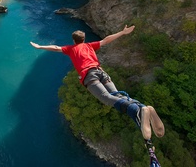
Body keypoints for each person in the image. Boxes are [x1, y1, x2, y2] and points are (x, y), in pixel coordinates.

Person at [30, 25, 164, 140]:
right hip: (101, 72)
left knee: (106, 98)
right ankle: (142, 107)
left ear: (74, 40)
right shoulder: (89, 46)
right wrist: (122, 32)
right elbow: (106, 40)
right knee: (117, 95)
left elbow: (55, 47)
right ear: (84, 39)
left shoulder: (71, 49)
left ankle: (137, 111)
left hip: (89, 76)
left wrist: (39, 46)